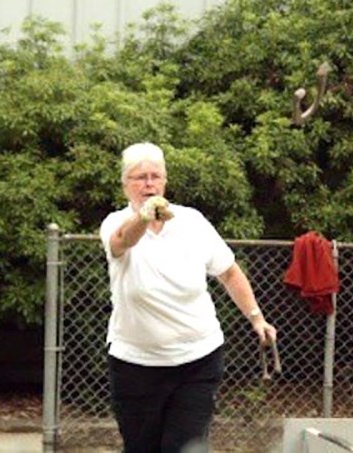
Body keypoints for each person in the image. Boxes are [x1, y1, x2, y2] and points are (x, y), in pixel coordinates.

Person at [99, 142, 276, 453]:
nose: (149, 183)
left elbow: (229, 272)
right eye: (139, 177)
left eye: (155, 176)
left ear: (165, 182)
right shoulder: (115, 223)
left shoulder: (192, 222)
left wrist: (256, 317)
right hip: (135, 365)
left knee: (184, 448)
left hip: (197, 360)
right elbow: (122, 241)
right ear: (125, 184)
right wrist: (144, 216)